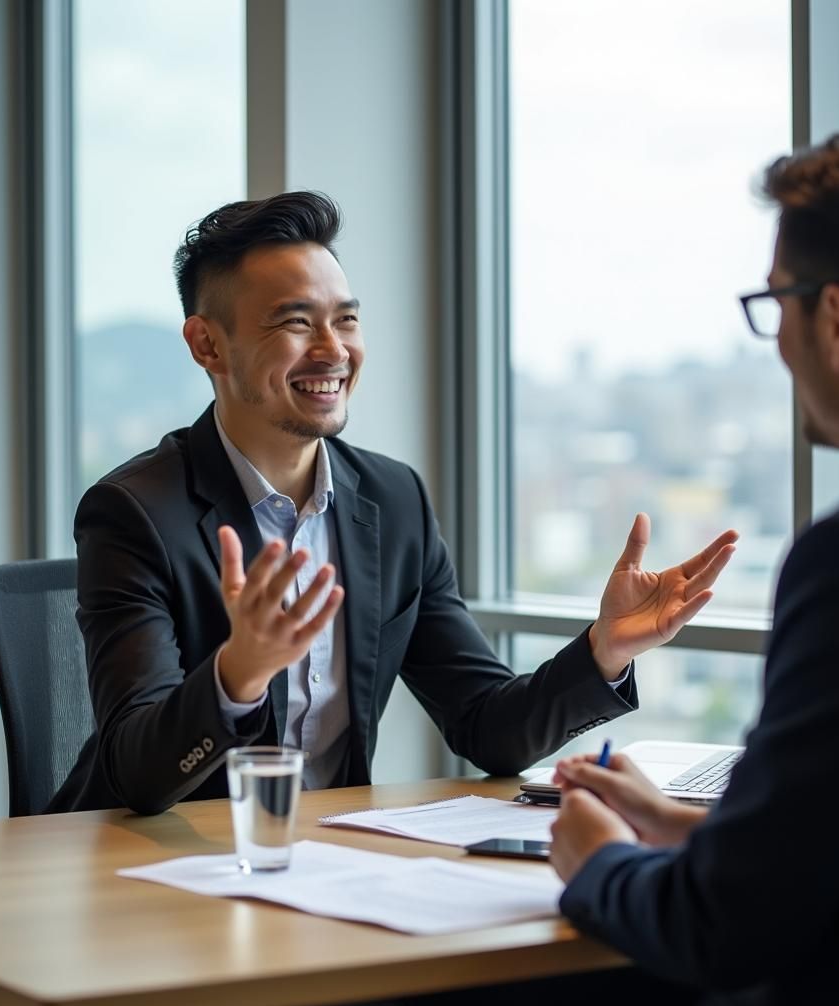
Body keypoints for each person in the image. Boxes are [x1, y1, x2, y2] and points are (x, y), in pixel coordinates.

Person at [49, 190, 736, 815]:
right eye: (295, 323)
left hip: (322, 860)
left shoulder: (391, 498)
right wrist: (240, 673)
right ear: (207, 345)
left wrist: (604, 651)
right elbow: (136, 773)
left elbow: (487, 727)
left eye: (345, 321)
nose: (333, 351)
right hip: (140, 870)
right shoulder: (133, 511)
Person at [549, 125, 839, 1006]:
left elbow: (723, 929)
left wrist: (595, 858)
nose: (777, 343)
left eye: (776, 306)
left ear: (835, 319)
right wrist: (702, 828)